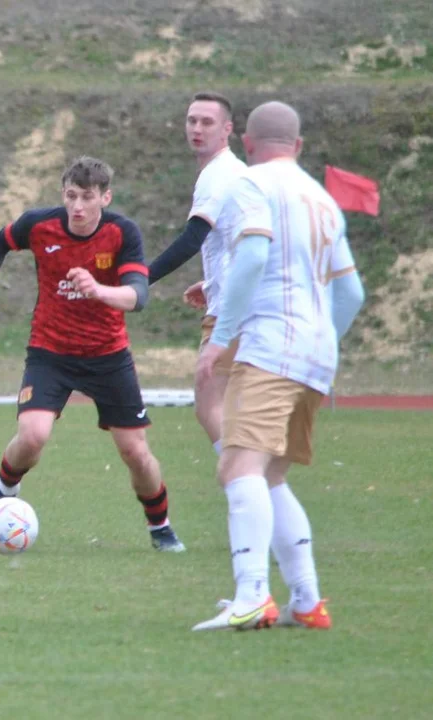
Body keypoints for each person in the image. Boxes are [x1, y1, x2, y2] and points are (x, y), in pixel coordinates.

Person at [191, 101, 365, 631]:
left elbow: (256, 257)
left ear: (245, 141)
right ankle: (307, 601)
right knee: (269, 476)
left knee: (238, 467)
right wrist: (319, 346)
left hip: (269, 347)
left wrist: (220, 337)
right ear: (300, 145)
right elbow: (351, 293)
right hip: (315, 355)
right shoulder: (323, 198)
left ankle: (252, 595)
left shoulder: (249, 184)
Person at [0, 155, 186, 552]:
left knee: (135, 452)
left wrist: (98, 290)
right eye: (71, 196)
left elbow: (138, 296)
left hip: (108, 355)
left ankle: (161, 527)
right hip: (50, 352)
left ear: (106, 197)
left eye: (87, 197)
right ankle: (3, 494)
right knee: (32, 437)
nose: (78, 206)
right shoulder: (39, 224)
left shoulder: (122, 233)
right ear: (62, 196)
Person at [146, 92, 247, 454]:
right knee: (236, 410)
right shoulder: (235, 172)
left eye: (207, 122)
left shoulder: (217, 175)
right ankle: (253, 483)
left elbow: (192, 239)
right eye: (192, 121)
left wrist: (140, 280)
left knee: (209, 406)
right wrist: (212, 282)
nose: (197, 129)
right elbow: (245, 242)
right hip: (245, 301)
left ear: (228, 129)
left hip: (232, 313)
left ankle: (245, 483)